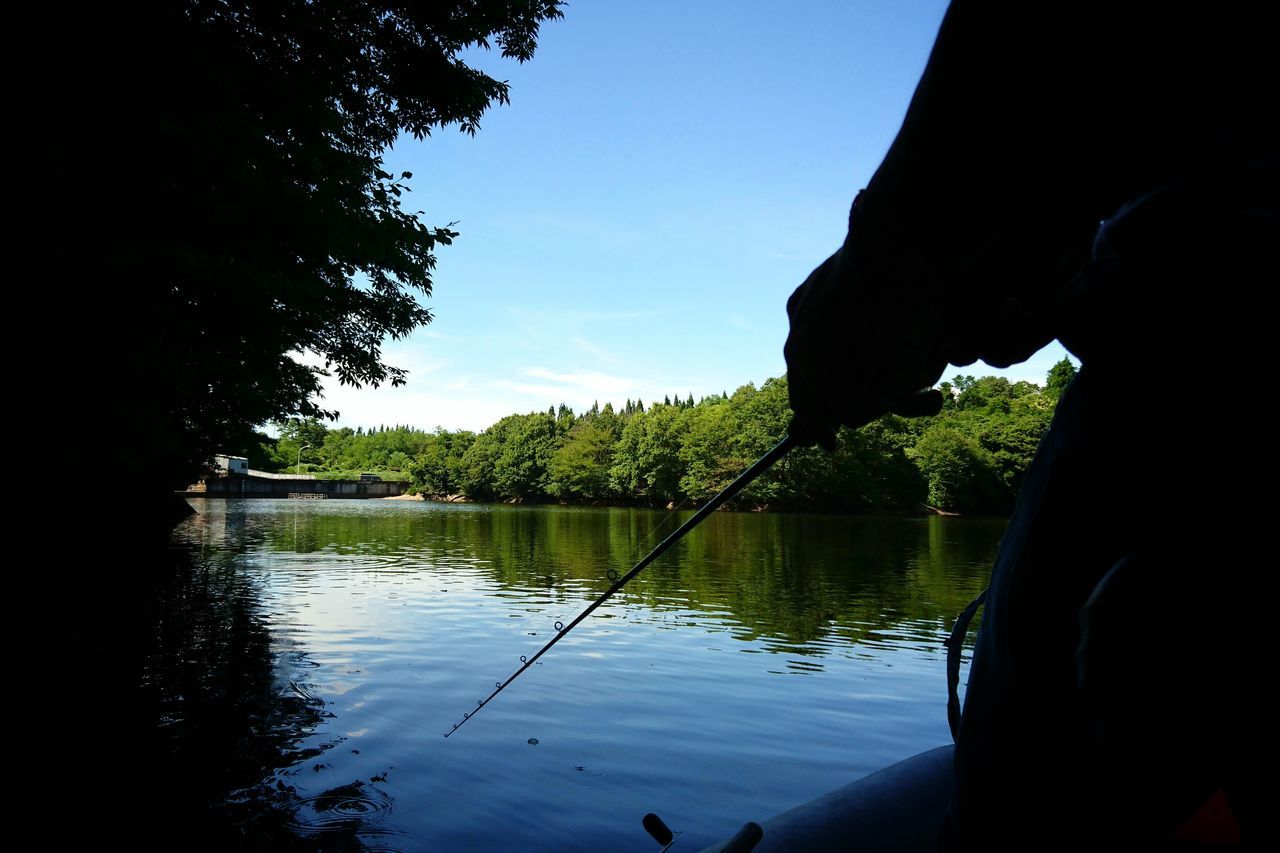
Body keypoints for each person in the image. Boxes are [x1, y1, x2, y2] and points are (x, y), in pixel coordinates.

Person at [783, 2, 1274, 848]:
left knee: (1032, 759)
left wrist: (886, 267)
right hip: (1183, 306)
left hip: (1199, 349)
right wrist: (1049, 274)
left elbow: (1042, 33)